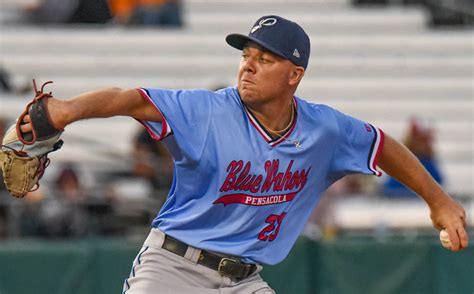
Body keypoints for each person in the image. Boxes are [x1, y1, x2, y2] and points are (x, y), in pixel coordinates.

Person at [17, 15, 468, 293]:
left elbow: (382, 146)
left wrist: (439, 201)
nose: (247, 65)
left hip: (242, 282)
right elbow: (131, 99)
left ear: (295, 75)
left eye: (264, 59)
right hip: (174, 268)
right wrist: (66, 110)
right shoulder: (207, 111)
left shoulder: (325, 129)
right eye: (245, 54)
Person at [383, 117, 444, 198]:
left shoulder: (429, 162)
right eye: (422, 141)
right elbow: (391, 187)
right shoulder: (402, 161)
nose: (427, 145)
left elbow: (438, 184)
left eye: (427, 141)